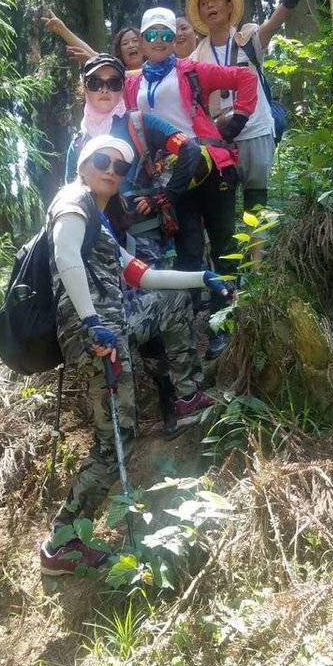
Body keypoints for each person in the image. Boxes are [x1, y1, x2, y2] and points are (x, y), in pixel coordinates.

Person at [39, 135, 230, 576]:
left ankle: (186, 398)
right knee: (117, 442)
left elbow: (143, 277)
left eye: (121, 167)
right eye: (102, 160)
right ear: (83, 164)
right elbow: (65, 255)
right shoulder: (73, 201)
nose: (112, 170)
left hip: (115, 325)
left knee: (171, 300)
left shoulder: (100, 223)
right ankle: (60, 543)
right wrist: (91, 321)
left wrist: (201, 277)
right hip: (95, 337)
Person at [65, 53, 211, 425]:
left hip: (146, 238)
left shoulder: (138, 122)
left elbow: (190, 150)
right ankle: (161, 399)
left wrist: (165, 196)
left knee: (163, 307)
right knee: (136, 318)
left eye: (114, 83)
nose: (105, 90)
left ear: (122, 88)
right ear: (84, 88)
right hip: (102, 252)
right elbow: (71, 198)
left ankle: (176, 398)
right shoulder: (78, 142)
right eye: (96, 83)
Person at [123, 7, 258, 301]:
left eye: (167, 35)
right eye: (152, 35)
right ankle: (194, 315)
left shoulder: (191, 70)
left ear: (175, 40)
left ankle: (229, 312)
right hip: (174, 176)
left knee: (223, 243)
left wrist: (240, 117)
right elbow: (105, 89)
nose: (159, 40)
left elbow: (245, 78)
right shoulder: (132, 84)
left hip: (213, 166)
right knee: (189, 248)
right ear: (142, 41)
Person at [185, 0, 306, 212]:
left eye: (216, 0)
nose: (210, 6)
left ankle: (258, 239)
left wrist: (289, 0)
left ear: (230, 6)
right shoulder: (195, 58)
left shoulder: (248, 39)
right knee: (223, 201)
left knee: (256, 197)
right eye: (204, 4)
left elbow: (273, 24)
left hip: (255, 129)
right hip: (220, 136)